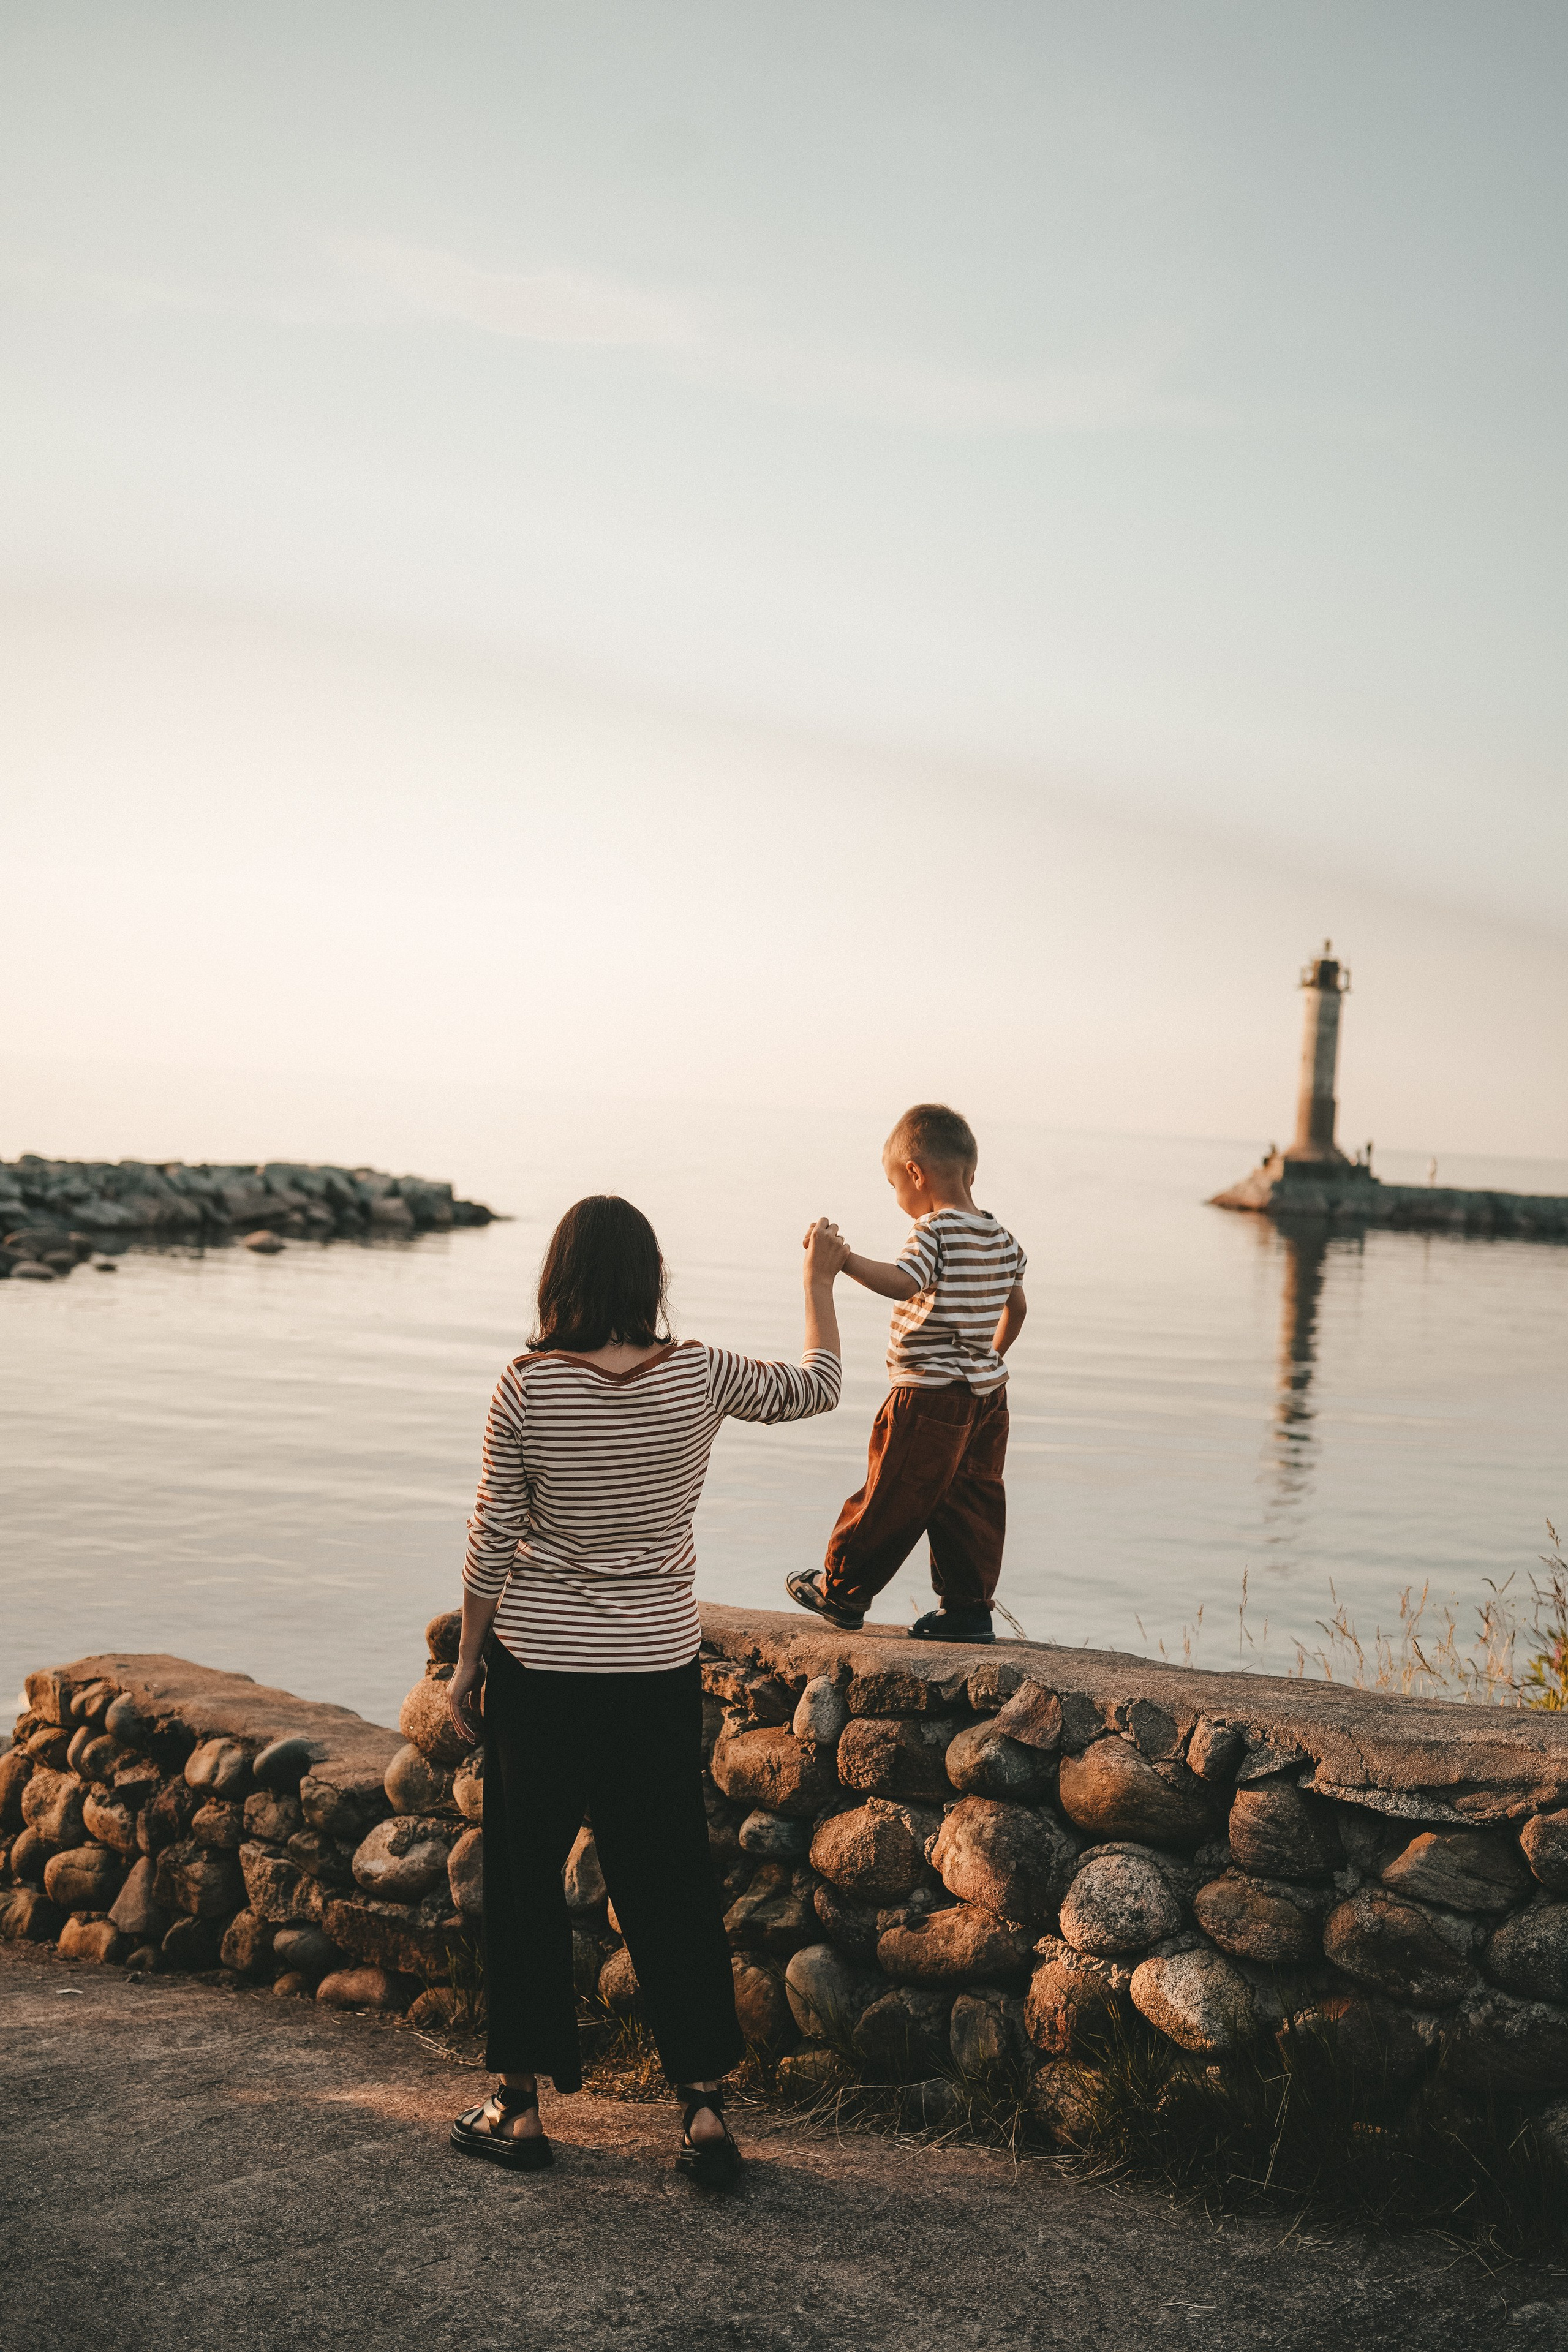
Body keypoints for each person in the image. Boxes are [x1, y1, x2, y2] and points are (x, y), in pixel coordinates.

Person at [445, 1193, 847, 2186]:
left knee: (524, 1884)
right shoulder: (701, 1375)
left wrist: (465, 1663)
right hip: (654, 1673)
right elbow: (822, 1387)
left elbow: (493, 1539)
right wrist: (819, 1280)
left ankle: (520, 2106)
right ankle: (704, 2113)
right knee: (668, 1882)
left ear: (559, 1278)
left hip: (539, 1674)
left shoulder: (526, 1387)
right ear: (649, 1281)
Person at [785, 1102, 1025, 1645]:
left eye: (895, 1185)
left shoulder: (933, 1231)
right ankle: (968, 1610)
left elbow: (902, 1282)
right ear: (970, 1171)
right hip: (987, 1396)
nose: (899, 1198)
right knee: (974, 1499)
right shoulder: (1003, 1239)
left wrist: (841, 1261)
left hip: (928, 1394)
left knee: (894, 1489)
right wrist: (987, 1358)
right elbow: (1018, 1307)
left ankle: (842, 1591)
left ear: (915, 1174)